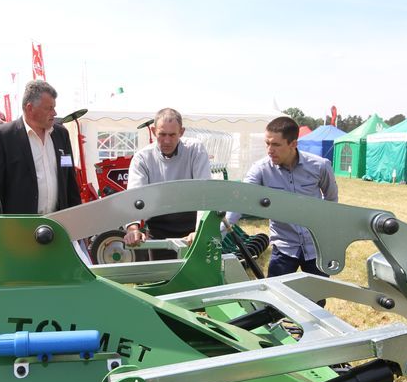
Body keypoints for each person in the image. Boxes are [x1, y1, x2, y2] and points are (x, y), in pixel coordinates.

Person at [227, 116, 338, 281]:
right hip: (284, 246)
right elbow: (241, 201)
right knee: (275, 298)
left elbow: (331, 201)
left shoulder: (320, 166)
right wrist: (217, 231)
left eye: (276, 145)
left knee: (317, 299)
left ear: (293, 144)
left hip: (316, 245)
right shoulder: (261, 169)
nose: (270, 150)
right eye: (267, 144)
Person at [0, 80, 80, 214]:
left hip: (57, 225)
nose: (54, 113)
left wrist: (78, 221)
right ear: (30, 108)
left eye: (54, 107)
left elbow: (69, 181)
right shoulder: (3, 137)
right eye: (49, 108)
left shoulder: (61, 135)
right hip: (18, 229)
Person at [123, 108, 211, 259]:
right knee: (162, 277)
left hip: (192, 225)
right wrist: (132, 228)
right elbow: (134, 196)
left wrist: (200, 231)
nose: (167, 141)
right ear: (152, 131)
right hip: (158, 229)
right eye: (162, 134)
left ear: (182, 132)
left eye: (172, 135)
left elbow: (204, 192)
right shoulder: (142, 158)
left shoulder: (195, 150)